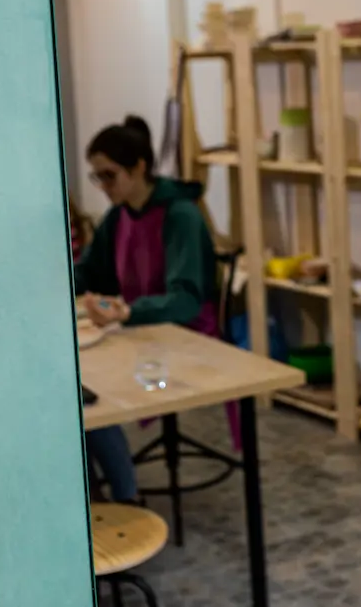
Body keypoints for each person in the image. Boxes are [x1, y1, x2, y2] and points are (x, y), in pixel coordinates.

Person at [73, 116, 219, 505]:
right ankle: (99, 497)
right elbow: (89, 272)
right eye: (97, 178)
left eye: (109, 175)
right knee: (76, 386)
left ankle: (121, 498)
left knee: (88, 393)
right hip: (142, 328)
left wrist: (125, 314)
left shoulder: (180, 214)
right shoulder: (119, 216)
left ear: (138, 168)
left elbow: (186, 299)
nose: (103, 187)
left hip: (187, 335)